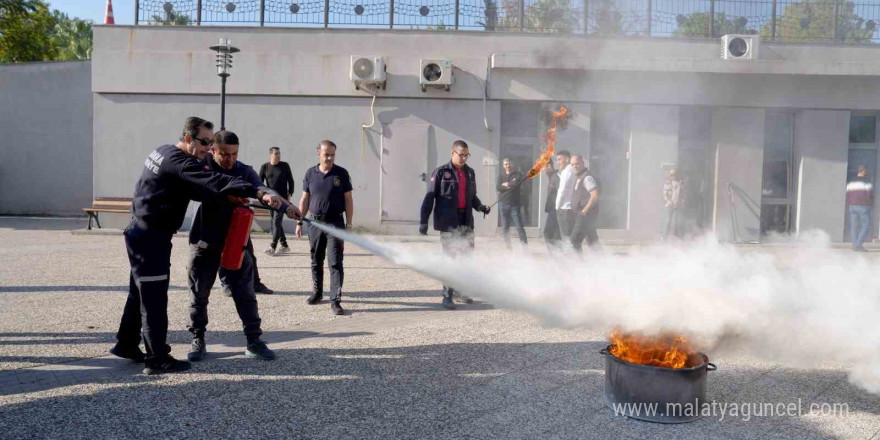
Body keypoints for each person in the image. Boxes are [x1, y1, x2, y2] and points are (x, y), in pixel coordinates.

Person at [110, 117, 284, 375]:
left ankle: (126, 344)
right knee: (154, 298)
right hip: (151, 237)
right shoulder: (182, 161)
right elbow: (212, 182)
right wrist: (255, 192)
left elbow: (197, 190)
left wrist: (242, 194)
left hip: (142, 232)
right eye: (205, 142)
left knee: (139, 291)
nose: (207, 148)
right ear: (189, 138)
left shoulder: (164, 151)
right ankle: (158, 358)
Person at [186, 131, 302, 363]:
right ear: (213, 150)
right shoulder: (201, 165)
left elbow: (263, 189)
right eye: (224, 154)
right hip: (205, 242)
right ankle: (198, 338)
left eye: (234, 154)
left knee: (246, 293)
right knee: (199, 293)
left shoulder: (244, 170)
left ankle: (254, 341)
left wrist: (285, 205)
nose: (230, 159)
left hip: (236, 241)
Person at [419, 140, 491, 310]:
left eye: (467, 155)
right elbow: (430, 197)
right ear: (452, 153)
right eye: (461, 155)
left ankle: (461, 291)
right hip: (448, 223)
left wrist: (480, 207)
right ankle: (447, 296)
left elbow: (472, 197)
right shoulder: (440, 172)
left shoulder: (470, 173)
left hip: (466, 222)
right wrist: (423, 221)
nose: (464, 158)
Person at [296, 140, 353, 315]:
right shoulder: (310, 173)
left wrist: (349, 224)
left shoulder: (341, 173)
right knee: (315, 260)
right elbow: (305, 199)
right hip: (314, 223)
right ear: (318, 154)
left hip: (335, 223)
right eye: (326, 154)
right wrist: (299, 221)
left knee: (335, 262)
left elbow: (348, 199)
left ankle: (335, 300)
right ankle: (317, 293)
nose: (329, 158)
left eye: (332, 155)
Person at [260, 147, 296, 256]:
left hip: (282, 200)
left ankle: (273, 246)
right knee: (276, 222)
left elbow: (291, 181)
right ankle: (284, 245)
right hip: (270, 200)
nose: (278, 156)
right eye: (276, 154)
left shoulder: (284, 166)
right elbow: (259, 183)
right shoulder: (265, 167)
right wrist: (263, 196)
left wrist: (290, 194)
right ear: (270, 154)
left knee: (276, 221)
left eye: (279, 153)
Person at [568, 155, 600, 252]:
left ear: (582, 163)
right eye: (572, 164)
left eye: (577, 164)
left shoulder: (587, 178)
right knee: (592, 242)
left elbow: (594, 195)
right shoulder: (579, 178)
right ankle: (603, 262)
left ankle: (579, 265)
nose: (575, 166)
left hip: (585, 215)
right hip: (581, 214)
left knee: (574, 241)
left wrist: (584, 211)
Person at [497, 158, 528, 248]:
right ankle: (508, 248)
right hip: (503, 204)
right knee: (505, 227)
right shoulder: (500, 176)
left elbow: (516, 185)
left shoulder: (518, 175)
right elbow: (498, 187)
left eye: (509, 164)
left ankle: (525, 247)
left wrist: (507, 184)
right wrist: (508, 185)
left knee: (519, 226)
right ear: (503, 165)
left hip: (515, 205)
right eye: (506, 164)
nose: (508, 166)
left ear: (512, 164)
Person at [846, 164, 873, 252]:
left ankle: (855, 245)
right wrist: (869, 204)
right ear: (864, 171)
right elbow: (869, 195)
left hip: (852, 206)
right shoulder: (866, 181)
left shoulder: (851, 181)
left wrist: (851, 202)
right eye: (866, 171)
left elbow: (848, 193)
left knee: (854, 226)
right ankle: (858, 244)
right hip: (863, 206)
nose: (867, 173)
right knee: (866, 224)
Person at [554, 150, 575, 242]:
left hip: (565, 208)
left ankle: (569, 256)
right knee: (570, 236)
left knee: (566, 236)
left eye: (559, 160)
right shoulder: (573, 170)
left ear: (567, 159)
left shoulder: (567, 172)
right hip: (571, 208)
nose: (558, 162)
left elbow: (562, 190)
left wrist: (557, 206)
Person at [662, 168, 686, 240]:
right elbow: (665, 194)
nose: (673, 176)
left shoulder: (681, 183)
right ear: (670, 175)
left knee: (679, 221)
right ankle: (664, 237)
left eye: (674, 174)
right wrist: (669, 202)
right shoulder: (667, 183)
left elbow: (684, 194)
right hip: (670, 205)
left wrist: (681, 202)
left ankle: (679, 237)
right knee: (668, 221)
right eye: (671, 175)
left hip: (678, 205)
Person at [542, 161, 561, 250]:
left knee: (548, 233)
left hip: (556, 210)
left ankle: (554, 256)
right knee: (555, 234)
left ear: (549, 166)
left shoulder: (556, 177)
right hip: (552, 210)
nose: (541, 169)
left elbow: (561, 193)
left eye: (542, 166)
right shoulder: (551, 177)